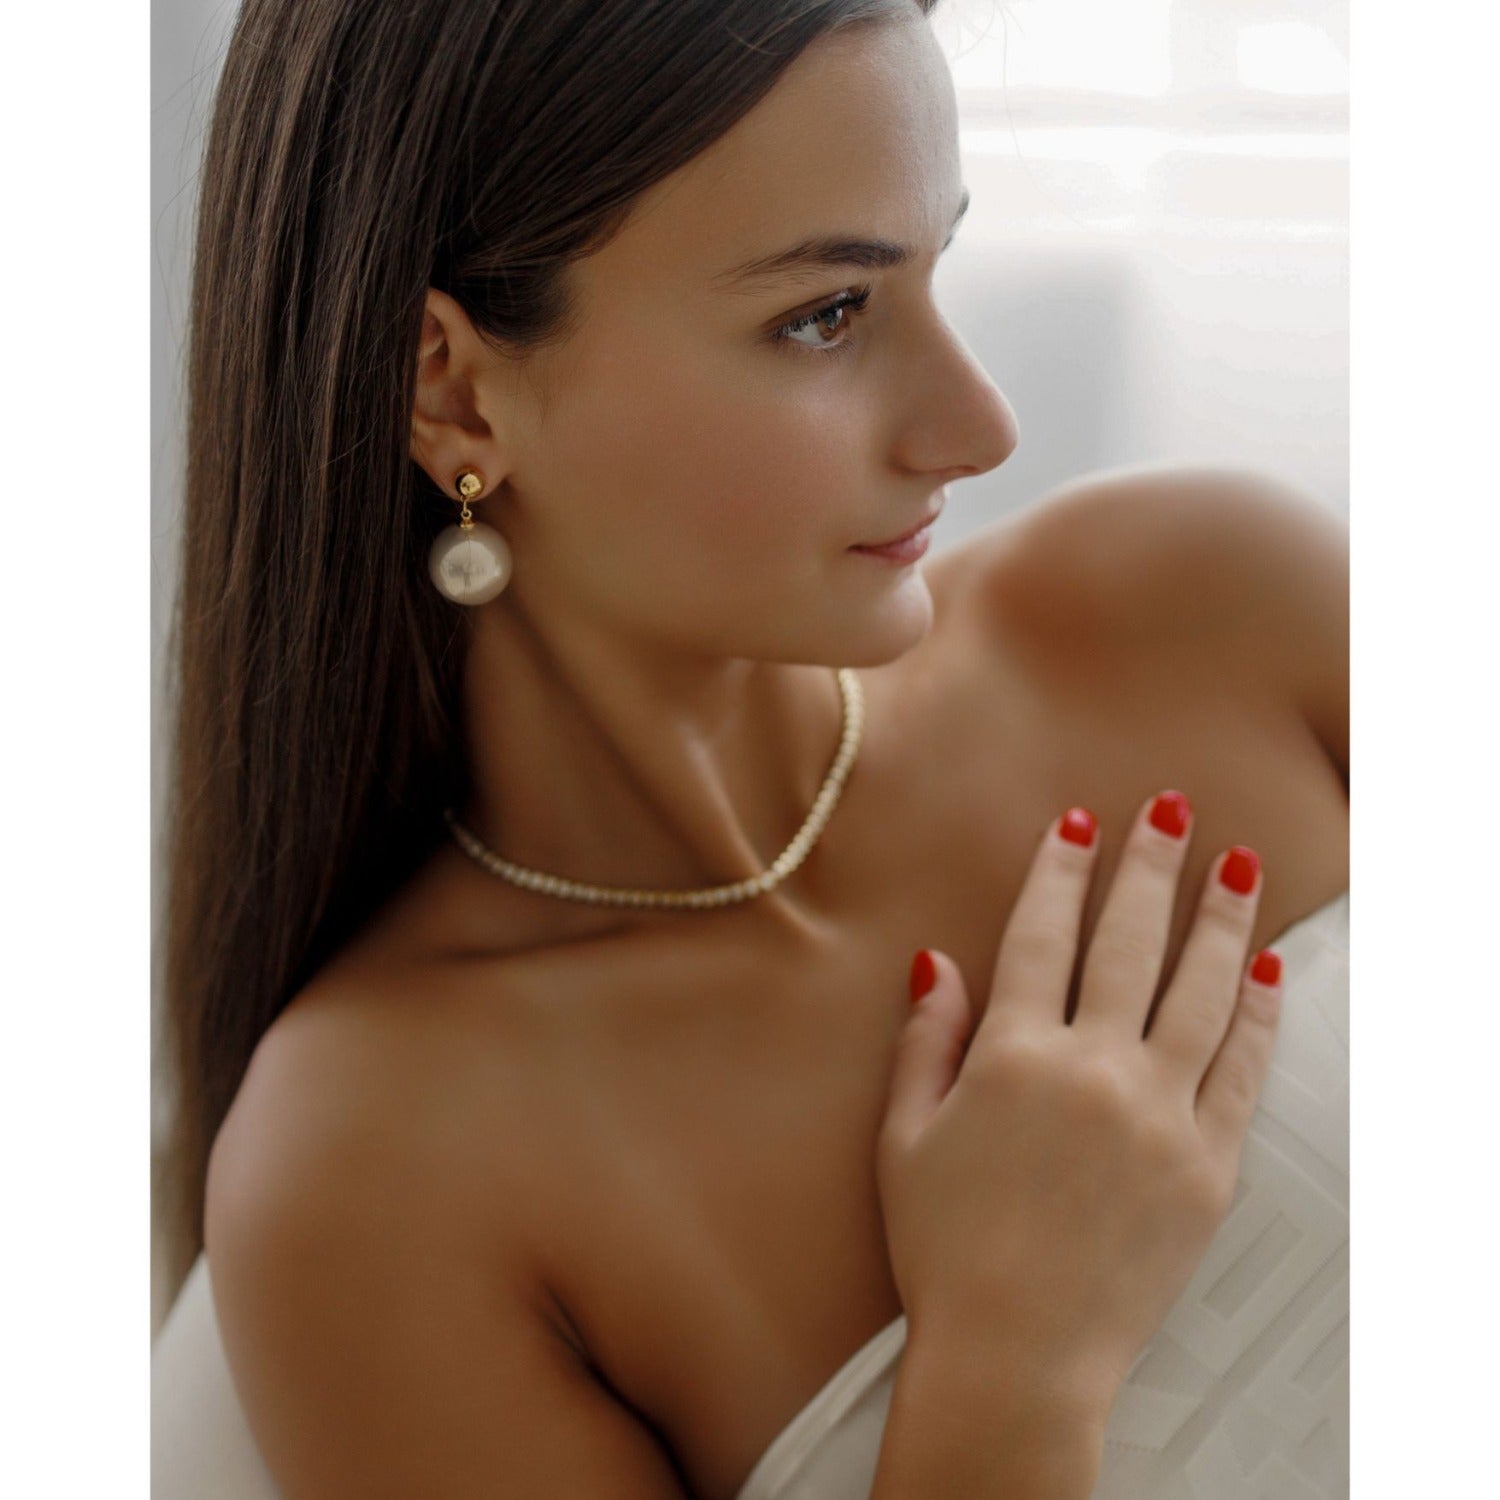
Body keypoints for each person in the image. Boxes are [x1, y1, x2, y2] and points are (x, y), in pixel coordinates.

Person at [156, 1, 1349, 1496]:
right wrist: (1009, 1366)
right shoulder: (373, 1173)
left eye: (933, 272)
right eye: (827, 315)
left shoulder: (1219, 603)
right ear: (448, 388)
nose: (981, 425)